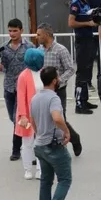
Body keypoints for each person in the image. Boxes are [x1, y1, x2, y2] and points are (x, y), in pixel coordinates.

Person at [30, 66, 73, 200]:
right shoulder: (53, 98)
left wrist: (39, 133)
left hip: (40, 145)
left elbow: (32, 120)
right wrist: (66, 131)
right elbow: (57, 118)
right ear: (55, 80)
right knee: (65, 179)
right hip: (53, 145)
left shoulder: (35, 98)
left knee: (46, 181)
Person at [0, 18, 34, 161]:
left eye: (15, 30)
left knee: (18, 118)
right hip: (9, 87)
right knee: (12, 117)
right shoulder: (4, 48)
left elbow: (34, 65)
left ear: (21, 31)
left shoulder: (29, 47)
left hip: (24, 88)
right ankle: (26, 140)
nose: (12, 33)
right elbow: (4, 67)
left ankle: (16, 150)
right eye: (10, 30)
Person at [36, 25, 81, 157]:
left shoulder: (60, 50)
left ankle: (72, 138)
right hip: (43, 90)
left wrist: (59, 80)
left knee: (59, 118)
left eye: (39, 34)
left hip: (58, 90)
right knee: (44, 117)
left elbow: (70, 68)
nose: (37, 37)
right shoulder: (39, 50)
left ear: (47, 35)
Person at [68, 0, 99, 115]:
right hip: (82, 40)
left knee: (87, 71)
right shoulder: (76, 4)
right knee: (82, 72)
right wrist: (88, 24)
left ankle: (85, 99)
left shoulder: (86, 3)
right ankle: (79, 103)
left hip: (89, 39)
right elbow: (71, 23)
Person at [15, 47, 45, 180]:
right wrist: (22, 115)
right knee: (27, 143)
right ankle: (27, 169)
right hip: (27, 114)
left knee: (41, 142)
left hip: (42, 113)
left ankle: (40, 169)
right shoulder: (23, 76)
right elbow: (21, 97)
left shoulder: (43, 72)